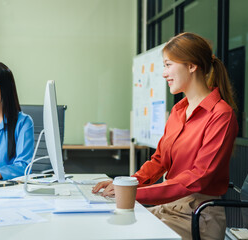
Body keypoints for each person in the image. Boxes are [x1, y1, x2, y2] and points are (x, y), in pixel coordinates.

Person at [93, 32, 238, 240]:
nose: (164, 73)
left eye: (168, 65)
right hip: (168, 209)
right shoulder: (179, 110)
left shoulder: (221, 114)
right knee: (107, 225)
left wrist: (133, 194)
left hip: (197, 217)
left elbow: (198, 178)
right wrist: (125, 184)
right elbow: (159, 160)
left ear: (191, 66)